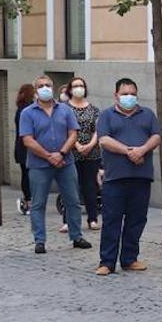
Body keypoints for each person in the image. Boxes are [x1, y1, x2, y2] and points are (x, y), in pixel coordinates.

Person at [17, 75, 92, 254]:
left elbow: (73, 133)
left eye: (48, 85)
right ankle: (40, 240)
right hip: (39, 165)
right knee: (38, 203)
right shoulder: (27, 113)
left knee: (73, 200)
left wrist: (61, 153)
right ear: (35, 90)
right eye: (41, 86)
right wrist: (48, 156)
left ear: (53, 87)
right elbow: (27, 140)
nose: (45, 88)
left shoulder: (65, 110)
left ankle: (76, 236)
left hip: (65, 162)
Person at [95, 79, 162, 275]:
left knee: (137, 219)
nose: (129, 97)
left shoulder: (147, 114)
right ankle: (107, 262)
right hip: (115, 177)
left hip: (141, 176)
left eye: (132, 93)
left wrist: (142, 150)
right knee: (112, 220)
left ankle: (130, 258)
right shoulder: (107, 115)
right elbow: (104, 140)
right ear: (116, 95)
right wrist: (129, 152)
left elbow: (156, 136)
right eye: (124, 94)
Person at [63, 76, 102, 233]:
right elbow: (64, 129)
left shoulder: (93, 109)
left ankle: (92, 218)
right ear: (70, 89)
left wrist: (91, 145)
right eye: (76, 85)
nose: (79, 88)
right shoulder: (64, 109)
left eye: (81, 85)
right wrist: (77, 145)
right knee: (70, 187)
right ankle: (68, 220)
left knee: (90, 187)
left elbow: (98, 130)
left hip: (91, 153)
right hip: (71, 152)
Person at [13, 84, 36, 217]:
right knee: (27, 175)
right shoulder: (26, 110)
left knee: (26, 174)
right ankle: (29, 201)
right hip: (25, 147)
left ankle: (29, 200)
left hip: (21, 147)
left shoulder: (21, 108)